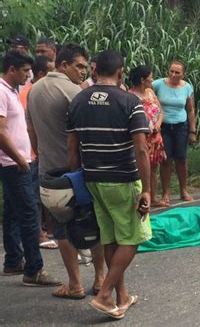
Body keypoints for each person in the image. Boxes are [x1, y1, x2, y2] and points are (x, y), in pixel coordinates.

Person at [67, 50, 151, 319]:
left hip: (92, 179)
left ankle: (121, 295)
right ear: (120, 73)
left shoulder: (78, 101)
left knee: (112, 236)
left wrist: (77, 180)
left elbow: (72, 148)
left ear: (94, 71)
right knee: (135, 237)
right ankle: (105, 295)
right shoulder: (129, 101)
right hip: (122, 179)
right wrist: (147, 188)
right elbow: (141, 149)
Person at [27, 44, 105, 299]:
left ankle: (75, 284)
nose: (83, 72)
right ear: (63, 65)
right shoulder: (75, 92)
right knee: (93, 222)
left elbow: (32, 130)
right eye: (79, 66)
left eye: (85, 67)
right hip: (78, 171)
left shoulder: (34, 89)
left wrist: (40, 154)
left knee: (61, 228)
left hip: (49, 170)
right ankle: (100, 279)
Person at [0, 50, 60, 286]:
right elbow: (1, 131)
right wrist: (19, 159)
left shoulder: (11, 91)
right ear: (12, 69)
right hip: (14, 164)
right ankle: (34, 270)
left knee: (14, 213)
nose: (28, 75)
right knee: (29, 214)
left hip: (18, 162)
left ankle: (14, 261)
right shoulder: (2, 91)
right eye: (25, 71)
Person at [19, 56, 57, 249]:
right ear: (42, 74)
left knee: (43, 194)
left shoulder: (37, 91)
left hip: (38, 151)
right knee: (33, 196)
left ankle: (49, 230)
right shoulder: (31, 93)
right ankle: (39, 234)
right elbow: (29, 126)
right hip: (31, 153)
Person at [152, 60, 197, 207]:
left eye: (177, 72)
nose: (173, 74)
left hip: (180, 126)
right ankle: (165, 193)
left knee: (181, 159)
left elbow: (190, 110)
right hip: (163, 126)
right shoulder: (158, 84)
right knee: (166, 160)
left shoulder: (187, 87)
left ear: (183, 74)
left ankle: (183, 190)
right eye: (171, 71)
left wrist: (192, 130)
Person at [130, 65, 166, 206]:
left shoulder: (150, 92)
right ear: (142, 79)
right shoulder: (131, 96)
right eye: (150, 76)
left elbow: (161, 110)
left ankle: (153, 197)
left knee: (154, 168)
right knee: (142, 167)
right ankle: (142, 198)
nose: (152, 79)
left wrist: (158, 123)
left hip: (155, 136)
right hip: (142, 137)